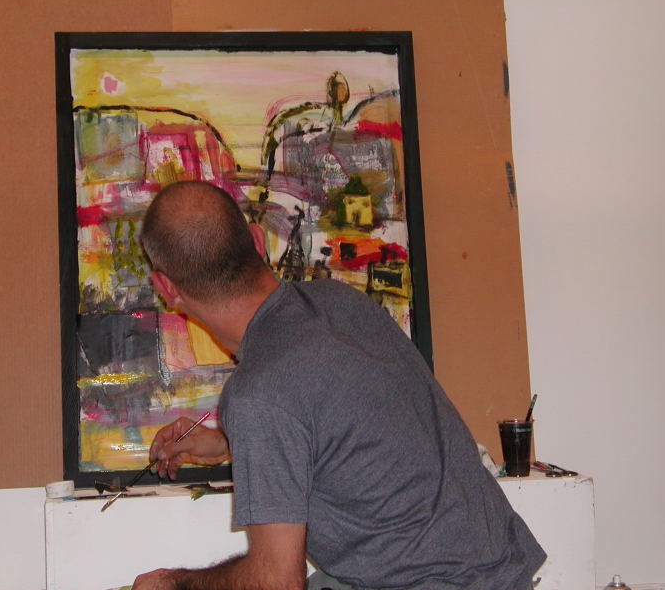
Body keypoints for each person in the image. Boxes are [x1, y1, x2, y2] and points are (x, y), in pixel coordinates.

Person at [133, 180, 546, 590]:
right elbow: (347, 431)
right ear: (257, 240)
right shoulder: (339, 302)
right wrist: (228, 444)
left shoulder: (259, 396)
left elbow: (276, 581)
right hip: (501, 572)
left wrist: (173, 584)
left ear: (166, 288)